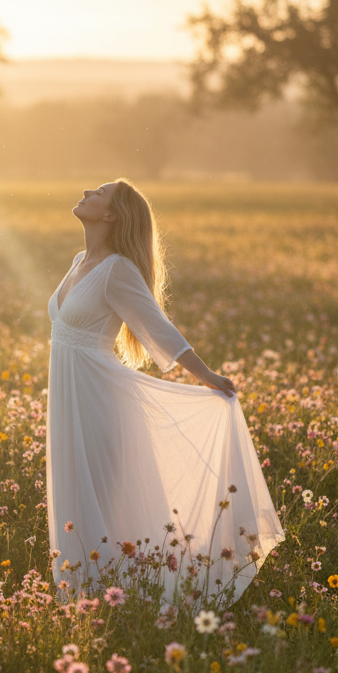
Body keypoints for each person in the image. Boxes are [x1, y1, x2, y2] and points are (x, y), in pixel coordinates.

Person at [46, 178, 284, 606]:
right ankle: (84, 595)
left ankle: (117, 597)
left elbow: (157, 327)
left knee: (100, 495)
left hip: (100, 403)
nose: (86, 191)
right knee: (75, 491)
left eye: (98, 192)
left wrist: (206, 375)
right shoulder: (80, 259)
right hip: (69, 399)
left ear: (111, 215)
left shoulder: (117, 268)